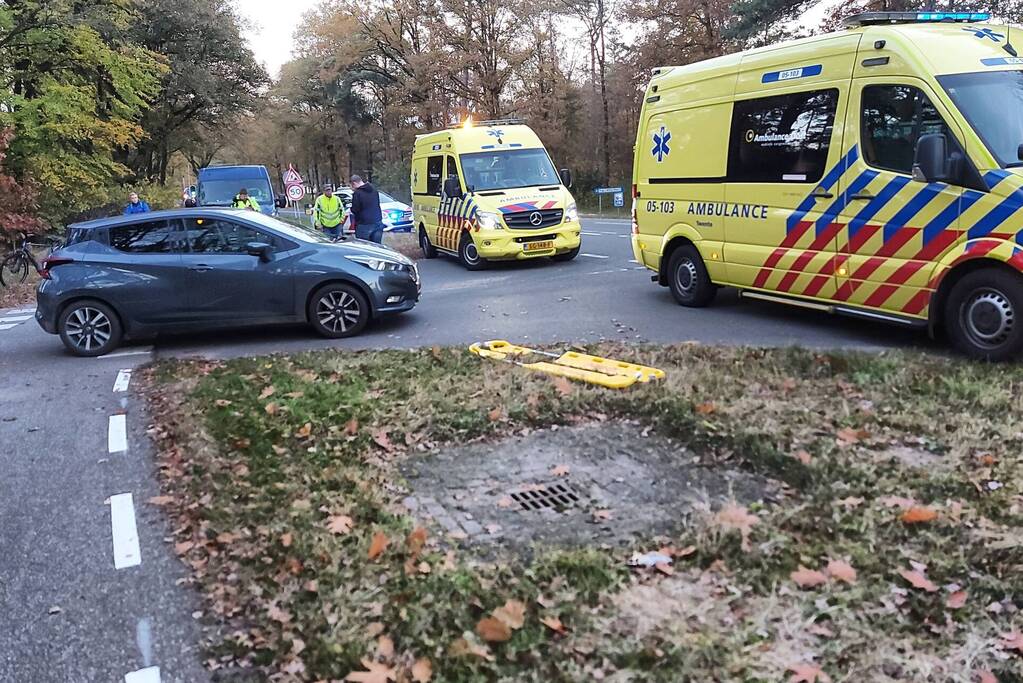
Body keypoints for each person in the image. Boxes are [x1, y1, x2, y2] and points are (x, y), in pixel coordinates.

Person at [349, 174, 384, 244]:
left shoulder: (357, 193)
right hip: (377, 222)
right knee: (377, 247)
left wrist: (351, 209)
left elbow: (355, 209)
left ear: (354, 183)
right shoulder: (374, 190)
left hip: (363, 225)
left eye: (351, 186)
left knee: (365, 248)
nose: (352, 188)